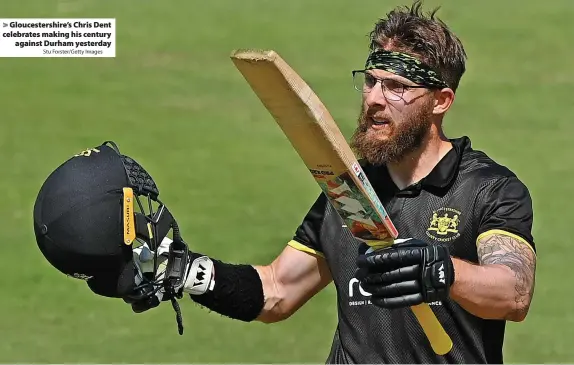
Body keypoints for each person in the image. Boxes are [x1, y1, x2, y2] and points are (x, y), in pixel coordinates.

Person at [33, 1, 537, 364]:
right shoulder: (350, 192)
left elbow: (513, 290)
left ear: (441, 101)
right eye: (371, 80)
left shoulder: (487, 190)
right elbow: (278, 290)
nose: (374, 99)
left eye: (397, 87)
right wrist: (191, 273)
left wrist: (442, 270)